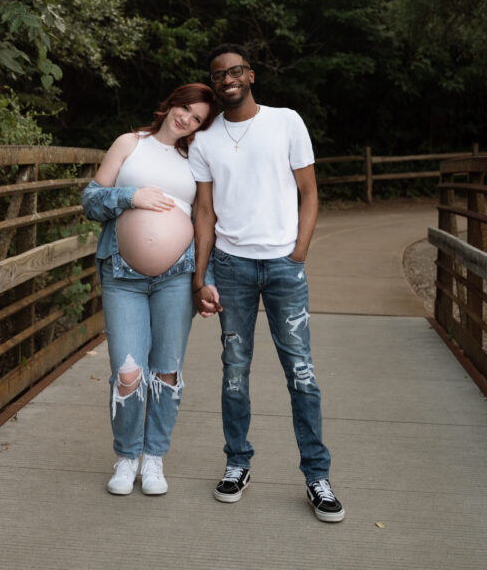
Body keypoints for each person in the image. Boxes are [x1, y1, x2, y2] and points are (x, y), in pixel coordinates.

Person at [188, 45, 345, 522]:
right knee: (235, 370)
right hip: (232, 268)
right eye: (218, 75)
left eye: (234, 71)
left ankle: (317, 475)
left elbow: (309, 190)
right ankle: (238, 462)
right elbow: (204, 212)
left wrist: (299, 250)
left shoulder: (286, 122)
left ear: (250, 75)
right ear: (213, 85)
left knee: (301, 371)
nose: (227, 79)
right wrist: (200, 276)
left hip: (282, 267)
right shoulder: (204, 140)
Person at [81, 82, 218, 498]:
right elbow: (90, 200)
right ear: (171, 102)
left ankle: (154, 457)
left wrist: (205, 280)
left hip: (177, 276)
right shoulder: (130, 142)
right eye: (184, 108)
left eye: (197, 118)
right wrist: (130, 195)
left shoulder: (195, 158)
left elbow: (205, 220)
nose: (186, 119)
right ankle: (126, 457)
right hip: (122, 274)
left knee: (167, 370)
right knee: (128, 371)